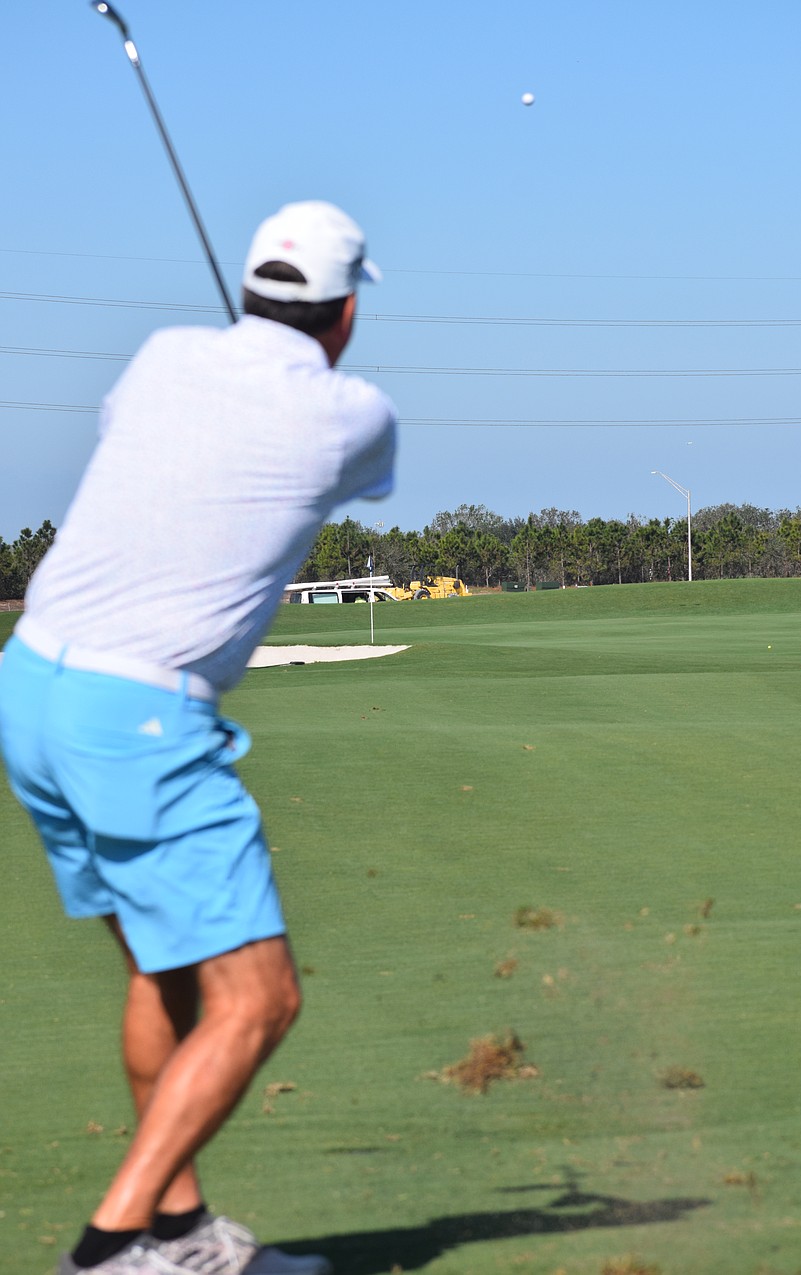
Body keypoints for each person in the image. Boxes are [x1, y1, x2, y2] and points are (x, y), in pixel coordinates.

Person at [0, 201, 397, 1275]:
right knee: (259, 998)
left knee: (164, 972)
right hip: (136, 717)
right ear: (348, 310)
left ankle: (178, 1236)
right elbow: (335, 466)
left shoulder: (164, 354)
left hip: (32, 683)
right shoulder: (357, 417)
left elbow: (168, 422)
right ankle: (111, 1243)